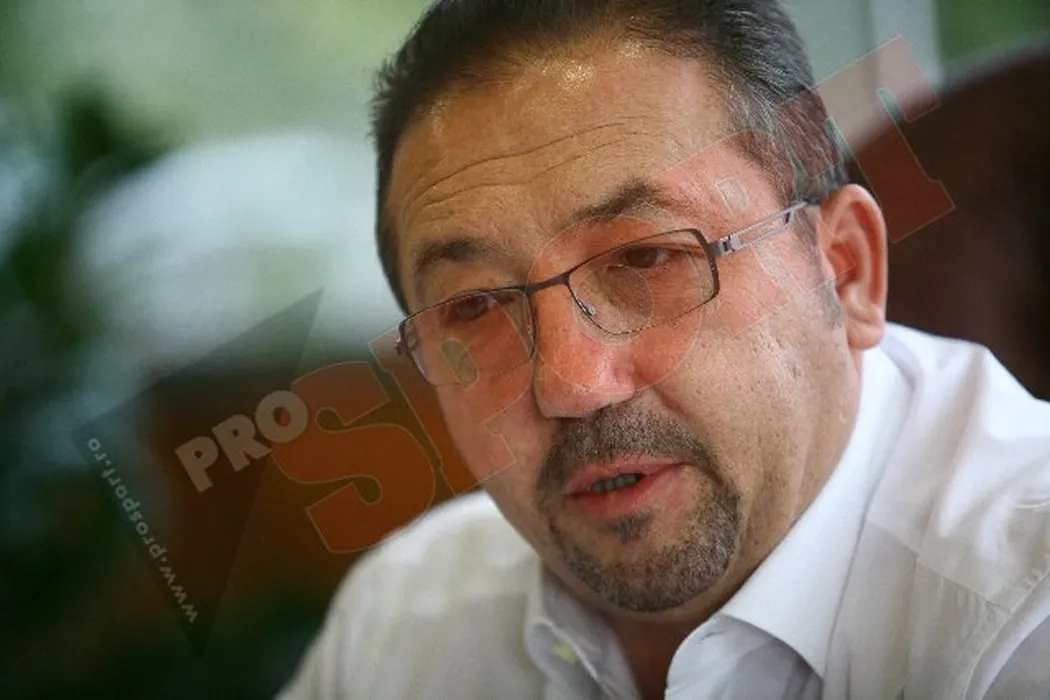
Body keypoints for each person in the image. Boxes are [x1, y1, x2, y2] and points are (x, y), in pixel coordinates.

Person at [280, 1, 1050, 698]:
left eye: (646, 259)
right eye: (475, 306)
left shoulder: (1024, 612)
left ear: (844, 271)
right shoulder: (402, 625)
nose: (573, 384)